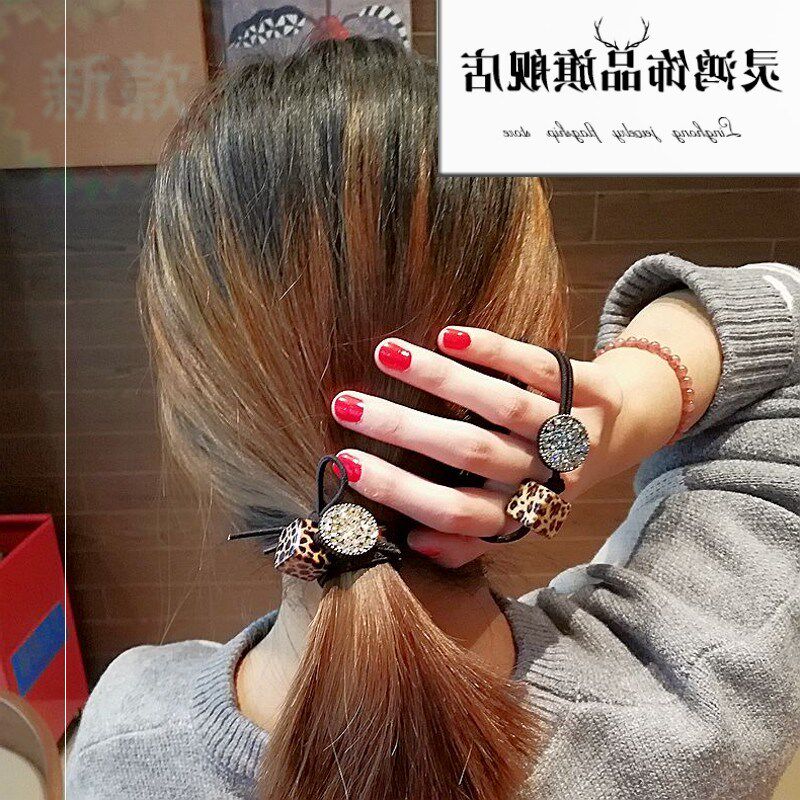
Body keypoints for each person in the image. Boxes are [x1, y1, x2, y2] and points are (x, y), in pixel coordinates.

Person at [66, 38, 800, 800]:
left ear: (201, 409)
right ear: (530, 339)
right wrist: (621, 401)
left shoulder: (124, 739)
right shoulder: (694, 698)